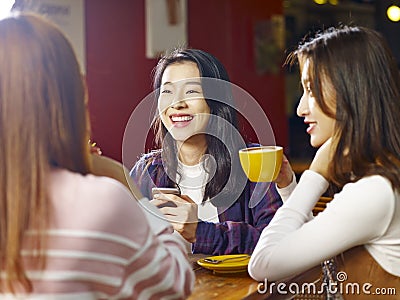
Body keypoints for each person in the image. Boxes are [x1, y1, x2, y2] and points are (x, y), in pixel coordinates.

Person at [0, 13, 194, 298]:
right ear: (81, 91)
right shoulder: (106, 198)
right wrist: (126, 185)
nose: (178, 104)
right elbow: (176, 284)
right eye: (167, 92)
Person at [248, 25, 400, 289]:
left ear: (351, 93)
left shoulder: (375, 190)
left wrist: (314, 176)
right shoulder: (376, 175)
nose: (300, 108)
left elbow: (263, 264)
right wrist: (288, 187)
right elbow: (313, 256)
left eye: (311, 90)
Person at [130, 48, 282, 255]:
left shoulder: (255, 162)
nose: (177, 104)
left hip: (240, 288)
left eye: (191, 92)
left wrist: (201, 232)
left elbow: (278, 244)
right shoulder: (147, 171)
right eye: (167, 92)